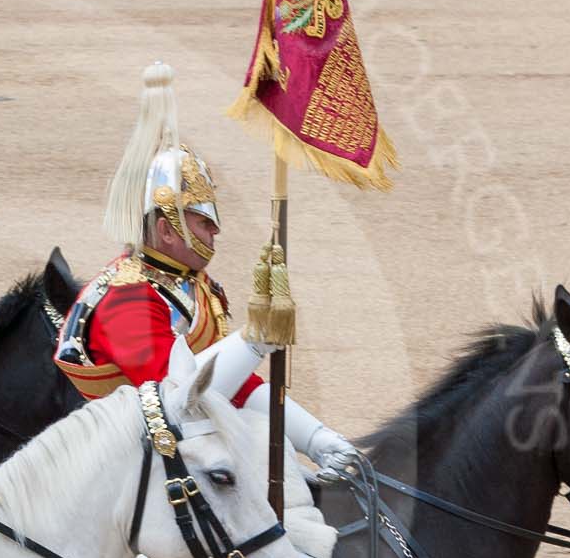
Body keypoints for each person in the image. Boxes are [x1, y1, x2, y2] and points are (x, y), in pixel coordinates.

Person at [56, 62, 359, 498]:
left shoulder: (189, 285)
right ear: (166, 230)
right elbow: (181, 402)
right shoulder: (125, 302)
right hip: (123, 472)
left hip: (185, 448)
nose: (215, 231)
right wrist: (253, 340)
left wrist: (317, 440)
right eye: (202, 221)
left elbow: (233, 389)